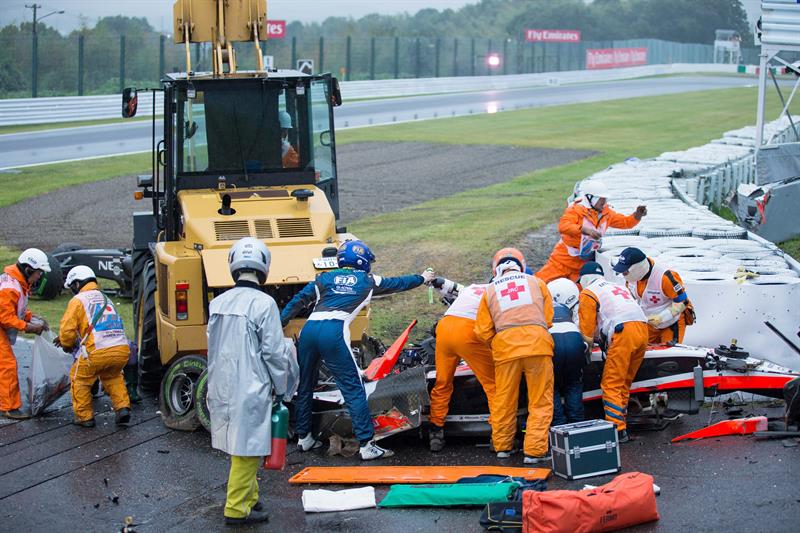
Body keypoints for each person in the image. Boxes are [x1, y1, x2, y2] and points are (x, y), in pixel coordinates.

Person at [280, 239, 434, 460]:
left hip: (309, 330)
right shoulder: (368, 280)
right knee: (353, 388)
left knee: (305, 384)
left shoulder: (324, 277)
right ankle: (366, 444)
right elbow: (399, 283)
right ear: (362, 261)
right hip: (333, 331)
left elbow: (298, 300)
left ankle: (304, 438)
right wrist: (422, 278)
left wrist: (280, 321)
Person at [207, 237, 298, 525]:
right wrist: (283, 388)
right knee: (247, 449)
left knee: (244, 444)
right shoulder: (265, 304)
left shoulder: (218, 303)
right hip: (251, 386)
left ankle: (251, 498)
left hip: (221, 384)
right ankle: (236, 508)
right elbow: (272, 351)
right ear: (264, 267)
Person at [474, 247, 554, 464]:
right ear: (521, 265)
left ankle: (502, 447)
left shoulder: (489, 290)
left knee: (504, 400)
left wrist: (499, 341)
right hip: (538, 346)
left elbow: (481, 330)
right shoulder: (537, 282)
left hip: (505, 350)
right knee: (540, 400)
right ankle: (535, 452)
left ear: (497, 269)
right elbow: (547, 318)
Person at [576, 262, 648, 443]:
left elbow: (586, 333)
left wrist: (584, 356)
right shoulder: (616, 286)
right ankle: (622, 420)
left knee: (611, 384)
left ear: (584, 279)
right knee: (624, 381)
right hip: (643, 329)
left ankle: (617, 429)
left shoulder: (588, 293)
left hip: (623, 333)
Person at [56, 266, 131, 428]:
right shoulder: (106, 299)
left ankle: (85, 417)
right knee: (113, 376)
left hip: (97, 352)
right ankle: (122, 407)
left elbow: (67, 330)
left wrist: (67, 345)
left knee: (79, 379)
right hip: (121, 349)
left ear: (77, 284)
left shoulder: (78, 300)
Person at [427, 277, 496, 452]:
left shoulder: (474, 286)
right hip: (468, 331)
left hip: (445, 326)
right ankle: (499, 436)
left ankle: (436, 432)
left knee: (442, 382)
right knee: (494, 385)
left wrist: (438, 281)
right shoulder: (499, 292)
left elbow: (451, 287)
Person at [536, 180, 647, 283]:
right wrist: (584, 230)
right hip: (562, 260)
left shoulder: (606, 214)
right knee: (539, 284)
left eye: (605, 199)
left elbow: (625, 222)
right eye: (601, 198)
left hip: (582, 265)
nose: (604, 202)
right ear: (590, 198)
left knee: (579, 295)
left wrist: (636, 216)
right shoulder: (575, 210)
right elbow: (563, 226)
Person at [0, 248, 50, 419]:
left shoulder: (17, 283)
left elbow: (15, 307)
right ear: (28, 269)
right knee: (7, 366)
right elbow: (6, 317)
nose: (39, 277)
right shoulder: (10, 287)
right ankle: (9, 407)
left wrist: (31, 317)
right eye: (38, 273)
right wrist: (28, 327)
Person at [612, 247, 695, 344]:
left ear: (637, 268)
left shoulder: (665, 277)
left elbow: (683, 302)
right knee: (640, 349)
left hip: (671, 323)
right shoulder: (631, 279)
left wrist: (662, 317)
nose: (623, 274)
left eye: (625, 271)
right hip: (649, 322)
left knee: (667, 353)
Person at [550, 302, 588, 427]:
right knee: (573, 383)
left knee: (550, 386)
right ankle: (577, 424)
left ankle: (558, 425)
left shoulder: (534, 304)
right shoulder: (563, 306)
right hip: (574, 338)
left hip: (552, 340)